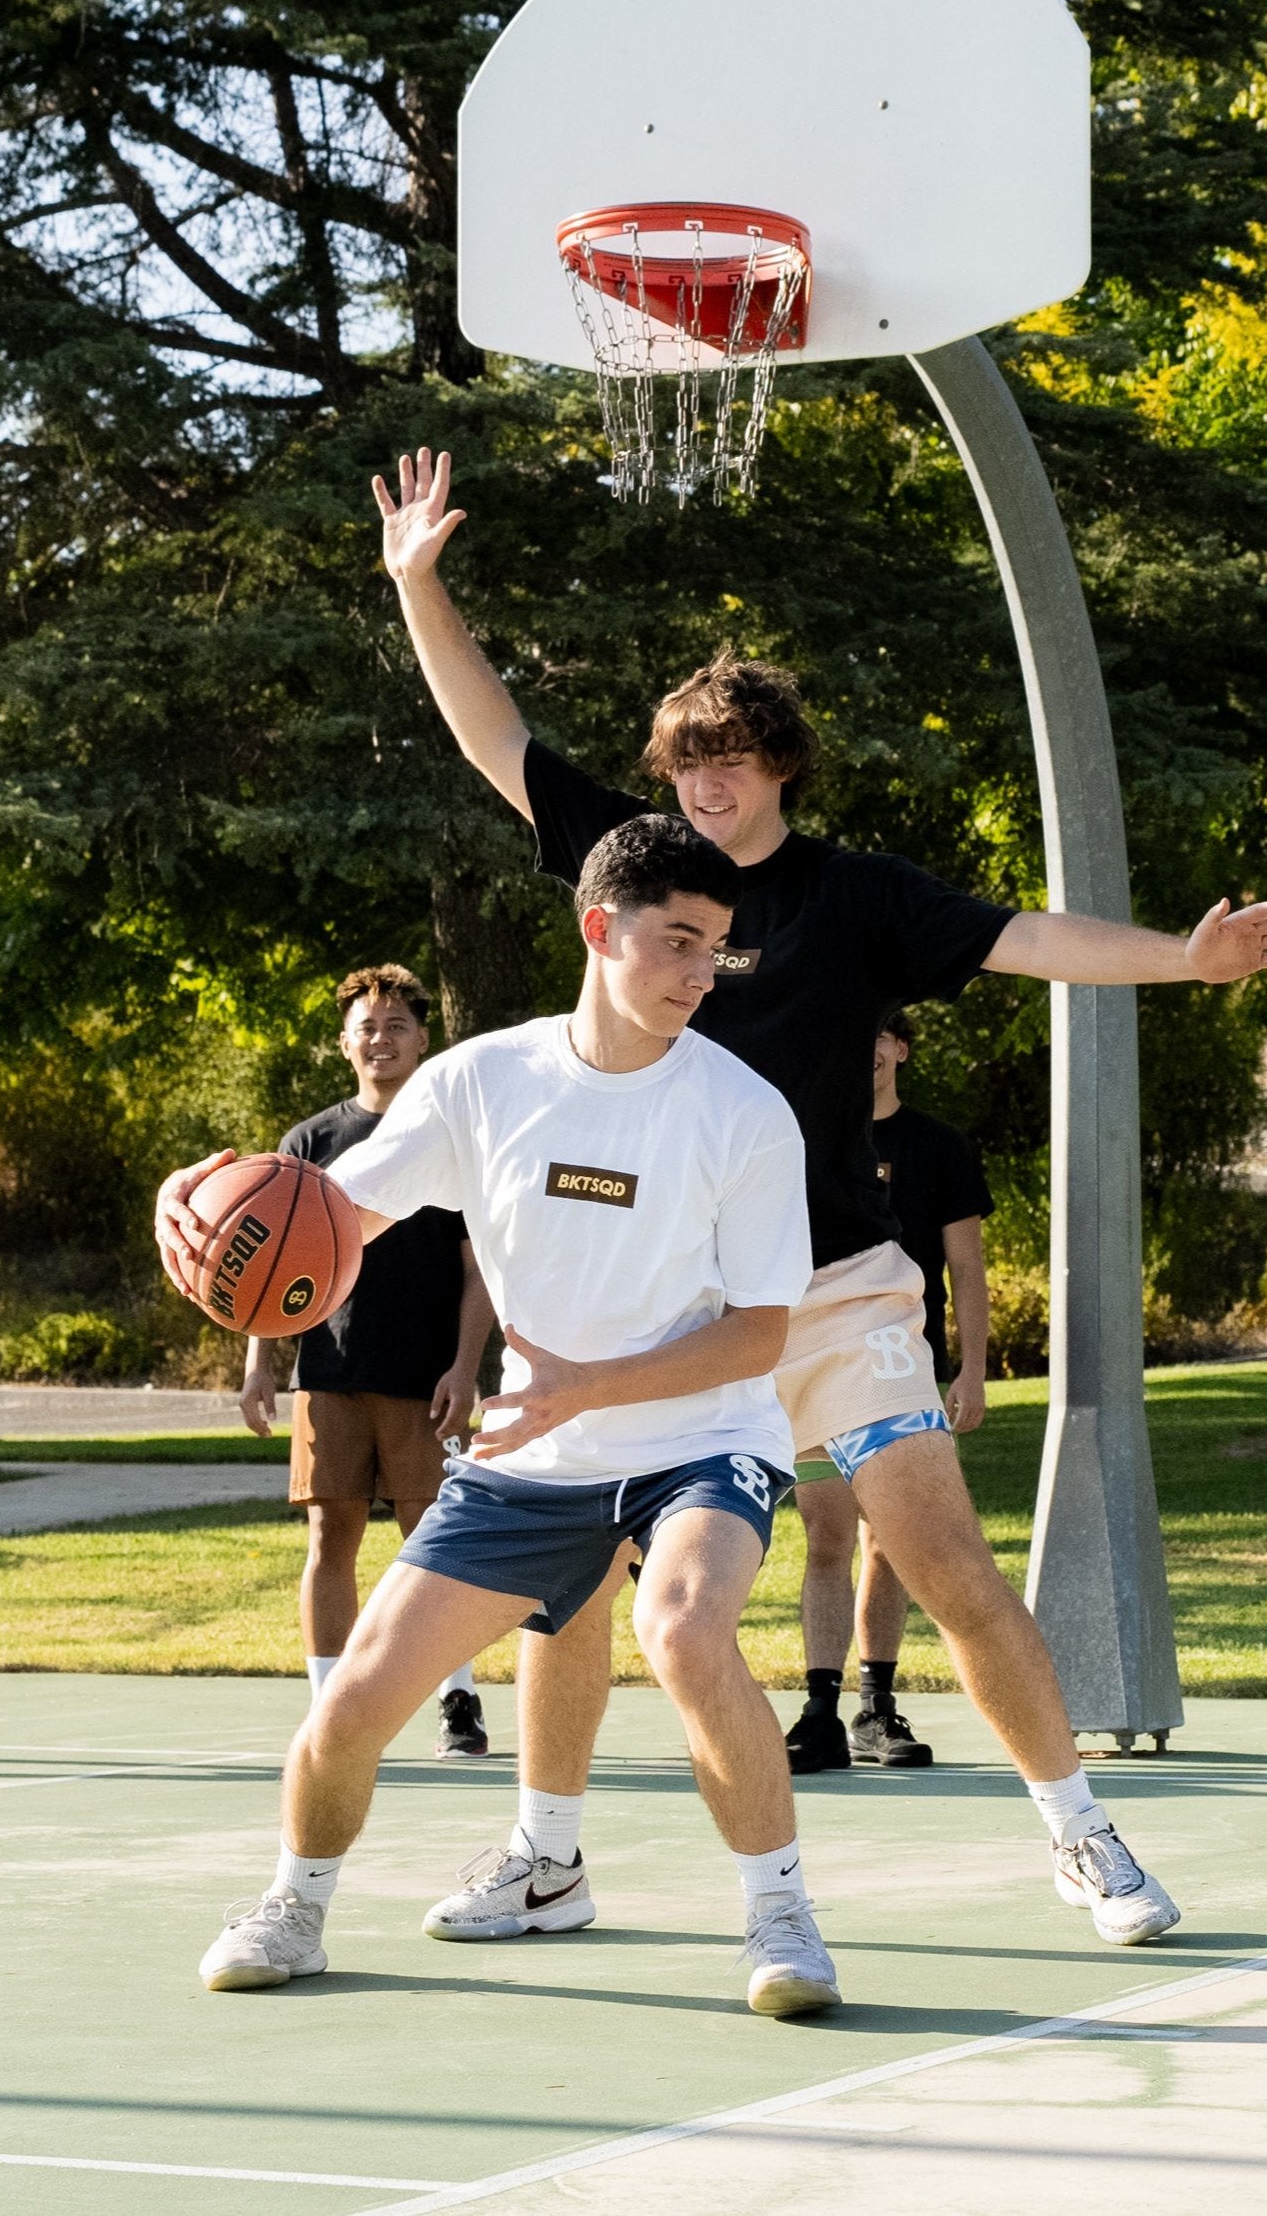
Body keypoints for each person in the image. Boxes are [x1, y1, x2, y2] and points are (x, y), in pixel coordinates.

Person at [357, 443, 1267, 1950]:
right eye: (685, 761)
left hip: (834, 1291)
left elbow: (1025, 937)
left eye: (730, 759)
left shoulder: (857, 896)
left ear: (781, 768)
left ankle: (1082, 1836)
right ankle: (547, 1855)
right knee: (571, 1589)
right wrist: (418, 583)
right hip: (655, 1309)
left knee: (946, 1564)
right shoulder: (633, 870)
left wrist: (1180, 963)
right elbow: (496, 738)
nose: (703, 782)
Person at [171, 815, 841, 2016]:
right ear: (599, 928)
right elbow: (336, 1218)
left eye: (717, 947)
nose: (702, 971)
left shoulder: (742, 1110)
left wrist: (587, 1384)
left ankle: (780, 1914)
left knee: (682, 1630)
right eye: (678, 941)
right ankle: (294, 1904)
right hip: (535, 1450)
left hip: (701, 1438)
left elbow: (757, 1334)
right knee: (358, 1694)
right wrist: (213, 1215)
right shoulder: (481, 1081)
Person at [243, 964, 499, 1759]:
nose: (380, 1039)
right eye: (366, 1027)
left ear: (423, 1039)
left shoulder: (450, 1141)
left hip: (426, 1377)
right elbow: (265, 1272)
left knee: (436, 1542)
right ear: (344, 1043)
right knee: (331, 1539)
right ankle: (330, 1705)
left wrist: (465, 1366)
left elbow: (479, 1273)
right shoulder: (308, 1144)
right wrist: (259, 1364)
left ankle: (457, 1697)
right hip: (330, 1371)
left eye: (396, 1026)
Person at [786, 1009, 995, 1776]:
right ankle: (819, 1711)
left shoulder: (937, 1146)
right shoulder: (801, 1135)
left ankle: (875, 1707)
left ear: (899, 1048)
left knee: (892, 1539)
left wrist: (970, 1369)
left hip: (900, 1367)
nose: (865, 1048)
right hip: (813, 1361)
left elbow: (965, 1268)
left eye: (879, 1033)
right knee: (827, 1537)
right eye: (854, 1032)